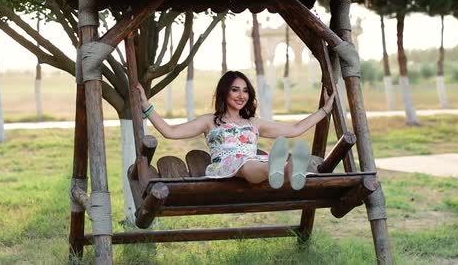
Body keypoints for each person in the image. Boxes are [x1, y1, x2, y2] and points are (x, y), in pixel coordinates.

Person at [136, 70, 335, 190]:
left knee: (257, 162)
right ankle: (282, 168)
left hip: (254, 163)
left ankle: (289, 170)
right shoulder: (210, 122)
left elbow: (294, 128)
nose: (242, 95)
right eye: (235, 90)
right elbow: (170, 131)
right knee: (247, 164)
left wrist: (325, 110)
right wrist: (146, 106)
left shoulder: (253, 123)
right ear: (224, 92)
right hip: (227, 166)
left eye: (246, 90)